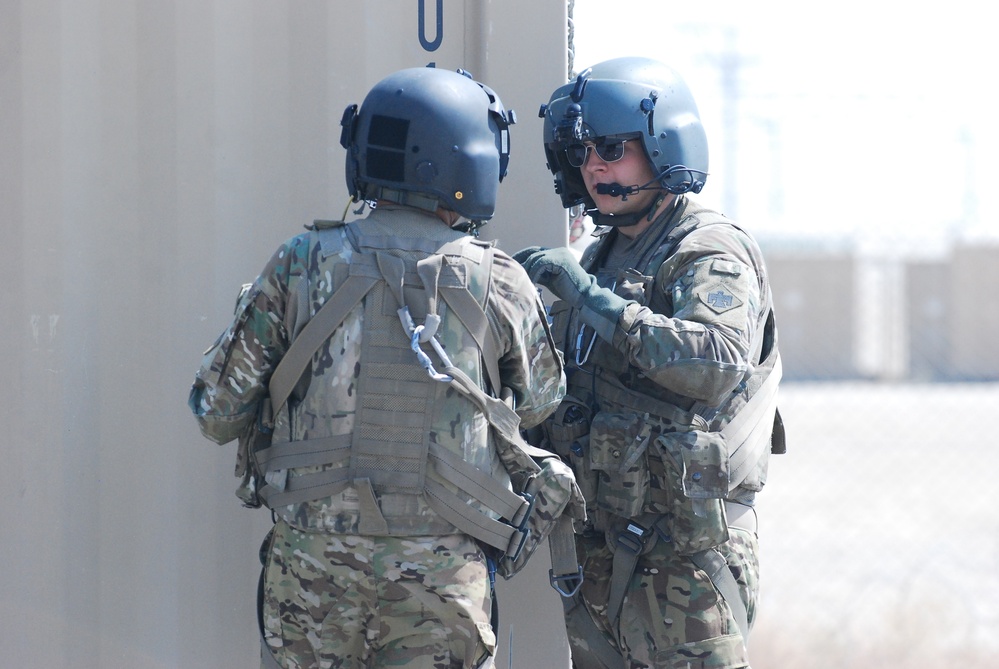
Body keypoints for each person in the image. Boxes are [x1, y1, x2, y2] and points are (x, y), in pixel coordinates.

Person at [189, 65, 577, 669]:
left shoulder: (299, 264)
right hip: (441, 583)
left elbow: (216, 413)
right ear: (470, 163)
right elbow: (537, 406)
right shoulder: (500, 281)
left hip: (313, 578)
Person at [515, 57, 785, 668]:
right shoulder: (603, 254)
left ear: (663, 144)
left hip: (683, 560)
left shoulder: (707, 247)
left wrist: (585, 294)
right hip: (599, 553)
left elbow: (716, 361)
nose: (596, 167)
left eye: (613, 147)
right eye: (582, 152)